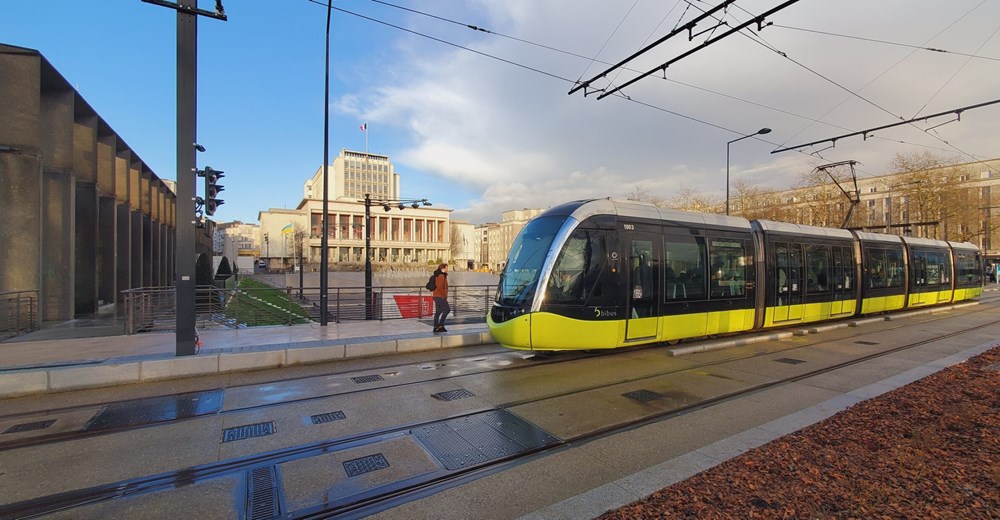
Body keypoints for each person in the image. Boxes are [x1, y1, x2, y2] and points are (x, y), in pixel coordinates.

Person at [431, 263, 450, 333]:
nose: (448, 269)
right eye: (447, 268)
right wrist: (444, 295)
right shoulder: (441, 276)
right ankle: (440, 325)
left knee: (438, 312)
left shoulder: (438, 275)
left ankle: (436, 327)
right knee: (447, 309)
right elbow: (440, 287)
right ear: (443, 268)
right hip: (439, 296)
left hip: (436, 296)